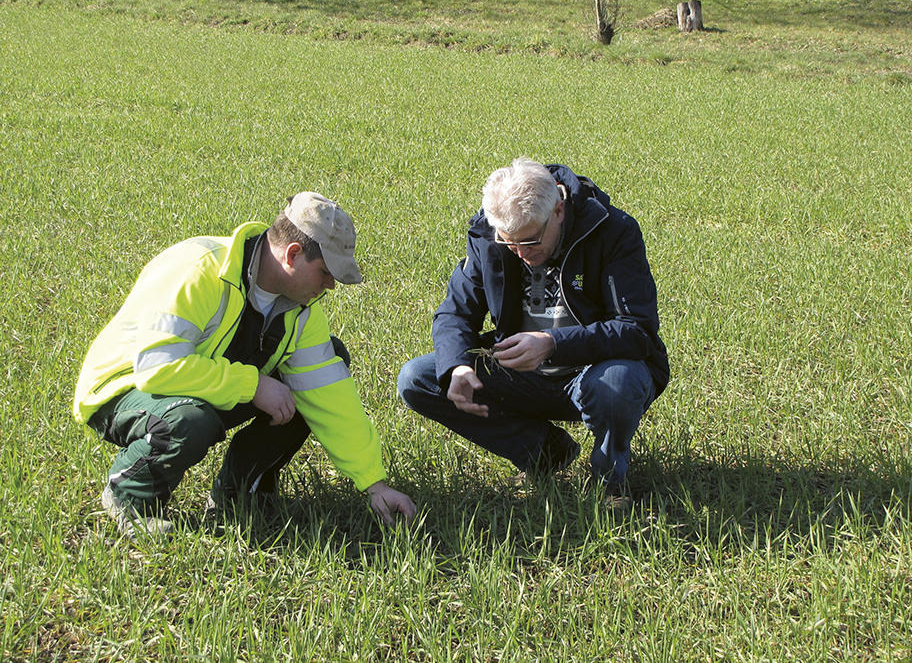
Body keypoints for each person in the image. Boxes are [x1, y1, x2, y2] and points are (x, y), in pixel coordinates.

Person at [74, 192, 416, 538]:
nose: (330, 286)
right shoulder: (198, 269)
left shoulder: (302, 309)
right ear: (293, 255)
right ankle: (131, 496)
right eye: (325, 272)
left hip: (202, 386)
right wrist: (252, 385)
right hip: (124, 388)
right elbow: (157, 367)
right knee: (187, 420)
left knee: (323, 368)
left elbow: (330, 394)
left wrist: (374, 484)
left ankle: (238, 495)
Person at [398, 159, 669, 492]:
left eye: (530, 241)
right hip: (521, 374)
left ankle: (609, 482)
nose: (520, 253)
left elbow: (637, 329)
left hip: (592, 373)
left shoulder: (613, 230)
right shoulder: (490, 236)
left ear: (558, 209)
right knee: (418, 378)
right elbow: (454, 313)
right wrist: (457, 368)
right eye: (509, 243)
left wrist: (553, 344)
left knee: (617, 382)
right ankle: (544, 452)